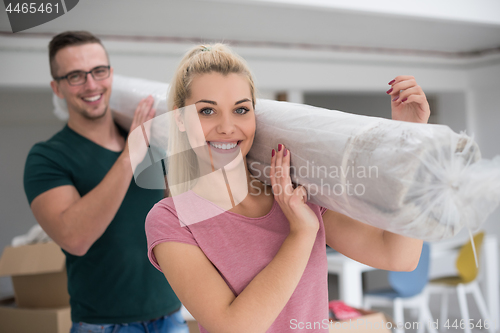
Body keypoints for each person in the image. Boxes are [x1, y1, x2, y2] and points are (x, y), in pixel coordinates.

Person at [145, 44, 427, 332]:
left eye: (241, 109)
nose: (228, 127)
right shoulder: (170, 220)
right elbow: (234, 327)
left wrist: (410, 143)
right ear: (180, 120)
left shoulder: (296, 193)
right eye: (207, 111)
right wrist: (302, 233)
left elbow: (399, 256)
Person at [23, 31, 188, 333]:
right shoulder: (48, 157)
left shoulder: (148, 141)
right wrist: (128, 158)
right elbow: (75, 239)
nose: (91, 84)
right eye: (75, 76)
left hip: (171, 315)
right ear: (56, 87)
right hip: (104, 326)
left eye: (99, 71)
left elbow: (177, 210)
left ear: (111, 74)